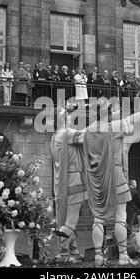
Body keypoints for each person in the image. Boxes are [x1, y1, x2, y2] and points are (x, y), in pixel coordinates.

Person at [83, 98, 140, 266]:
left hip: (97, 178)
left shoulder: (87, 131)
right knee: (120, 217)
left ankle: (98, 257)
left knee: (98, 218)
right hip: (115, 175)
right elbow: (131, 120)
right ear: (109, 113)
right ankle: (123, 256)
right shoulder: (114, 127)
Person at [51, 106, 88, 263]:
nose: (69, 117)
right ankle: (63, 253)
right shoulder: (67, 134)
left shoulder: (55, 137)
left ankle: (73, 250)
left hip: (62, 182)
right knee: (71, 220)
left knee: (65, 217)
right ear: (61, 119)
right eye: (66, 115)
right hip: (73, 180)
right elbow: (89, 136)